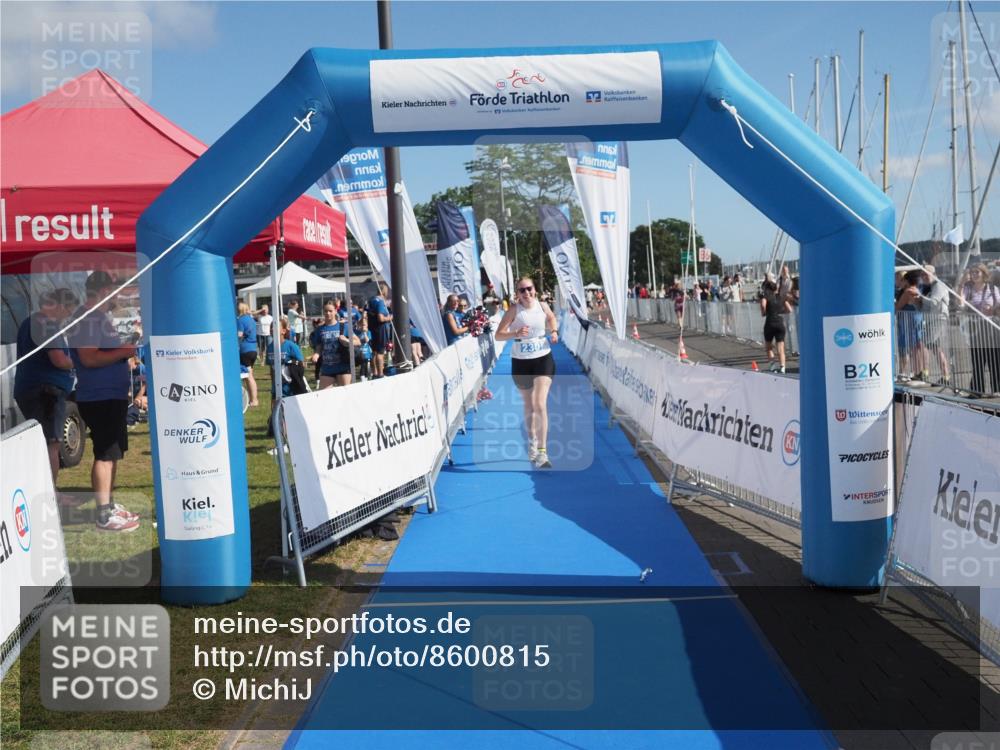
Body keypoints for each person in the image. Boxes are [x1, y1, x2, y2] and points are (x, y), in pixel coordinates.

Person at [66, 271, 139, 532]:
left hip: (111, 395)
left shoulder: (98, 317)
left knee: (113, 452)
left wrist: (122, 352)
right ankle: (103, 513)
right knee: (105, 453)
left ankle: (108, 505)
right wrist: (125, 351)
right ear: (104, 290)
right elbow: (89, 358)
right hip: (99, 396)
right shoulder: (87, 318)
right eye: (114, 290)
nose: (117, 296)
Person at [13, 288, 78, 485]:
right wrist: (78, 360)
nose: (67, 317)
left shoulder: (30, 322)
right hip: (46, 392)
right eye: (68, 311)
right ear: (59, 305)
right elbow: (58, 360)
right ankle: (51, 494)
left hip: (33, 389)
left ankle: (45, 490)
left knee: (43, 441)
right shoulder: (47, 325)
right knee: (52, 442)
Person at [495, 277, 559, 469]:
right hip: (521, 362)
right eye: (522, 290)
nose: (526, 293)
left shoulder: (542, 306)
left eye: (529, 288)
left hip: (543, 358)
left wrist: (554, 331)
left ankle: (542, 452)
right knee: (529, 405)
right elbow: (498, 335)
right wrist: (515, 333)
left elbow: (551, 317)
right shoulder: (514, 310)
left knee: (540, 403)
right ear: (518, 293)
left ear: (535, 289)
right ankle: (532, 442)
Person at [959, 263, 1000, 396]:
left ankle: (997, 389)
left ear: (983, 273)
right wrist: (961, 283)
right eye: (972, 272)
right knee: (977, 359)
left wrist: (992, 309)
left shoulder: (992, 289)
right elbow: (960, 303)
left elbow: (998, 305)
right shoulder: (967, 288)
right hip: (975, 328)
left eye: (977, 272)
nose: (974, 275)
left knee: (994, 359)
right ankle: (977, 390)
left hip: (991, 327)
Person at [312, 299, 359, 388]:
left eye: (330, 311)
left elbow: (358, 342)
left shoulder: (343, 326)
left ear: (335, 311)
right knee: (324, 397)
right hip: (327, 368)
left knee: (346, 396)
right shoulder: (320, 329)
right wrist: (316, 354)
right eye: (326, 311)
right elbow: (319, 346)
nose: (328, 313)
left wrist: (347, 341)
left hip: (343, 367)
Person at [921, 265, 951, 385]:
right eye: (922, 275)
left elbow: (934, 302)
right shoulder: (928, 287)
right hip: (932, 320)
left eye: (926, 274)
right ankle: (945, 376)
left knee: (928, 346)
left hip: (938, 319)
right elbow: (924, 307)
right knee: (936, 349)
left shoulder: (938, 285)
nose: (924, 277)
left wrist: (919, 297)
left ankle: (925, 373)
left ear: (933, 274)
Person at [895, 269, 926, 382]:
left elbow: (898, 306)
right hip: (917, 318)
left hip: (908, 321)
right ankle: (918, 372)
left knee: (910, 347)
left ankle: (915, 373)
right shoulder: (916, 290)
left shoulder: (908, 291)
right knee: (916, 347)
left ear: (907, 280)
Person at [760, 278, 792, 373]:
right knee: (781, 347)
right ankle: (782, 367)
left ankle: (773, 366)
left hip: (770, 322)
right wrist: (781, 311)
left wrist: (763, 312)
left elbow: (763, 305)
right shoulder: (780, 297)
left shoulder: (765, 297)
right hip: (779, 322)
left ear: (768, 289)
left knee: (769, 346)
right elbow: (790, 310)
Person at [366, 282, 394, 378]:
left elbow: (366, 314)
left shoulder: (371, 300)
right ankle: (380, 374)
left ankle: (375, 373)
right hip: (380, 330)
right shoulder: (380, 301)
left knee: (374, 352)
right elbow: (381, 318)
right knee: (380, 352)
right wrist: (389, 318)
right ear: (384, 292)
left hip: (372, 329)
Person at [236, 302, 259, 406]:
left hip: (245, 350)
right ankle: (252, 399)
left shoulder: (240, 320)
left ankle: (254, 400)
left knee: (248, 376)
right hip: (253, 350)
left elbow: (239, 335)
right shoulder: (251, 319)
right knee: (250, 375)